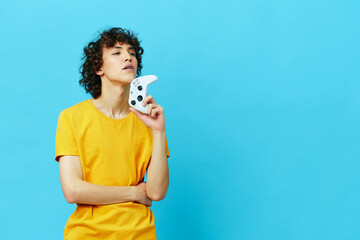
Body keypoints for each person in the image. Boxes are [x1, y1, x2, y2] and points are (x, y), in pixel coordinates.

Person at [55, 27, 170, 239]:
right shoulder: (71, 118)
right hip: (87, 233)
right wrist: (134, 193)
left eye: (132, 53)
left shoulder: (148, 121)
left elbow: (156, 192)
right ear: (99, 67)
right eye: (116, 52)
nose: (128, 56)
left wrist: (159, 131)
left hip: (139, 232)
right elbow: (73, 191)